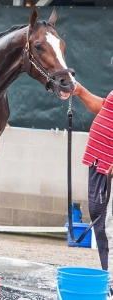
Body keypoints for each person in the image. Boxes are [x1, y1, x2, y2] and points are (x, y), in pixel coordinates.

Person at [72, 82, 113, 298]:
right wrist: (80, 91)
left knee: (108, 225)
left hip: (109, 166)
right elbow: (106, 107)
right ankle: (109, 276)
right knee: (99, 217)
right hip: (100, 162)